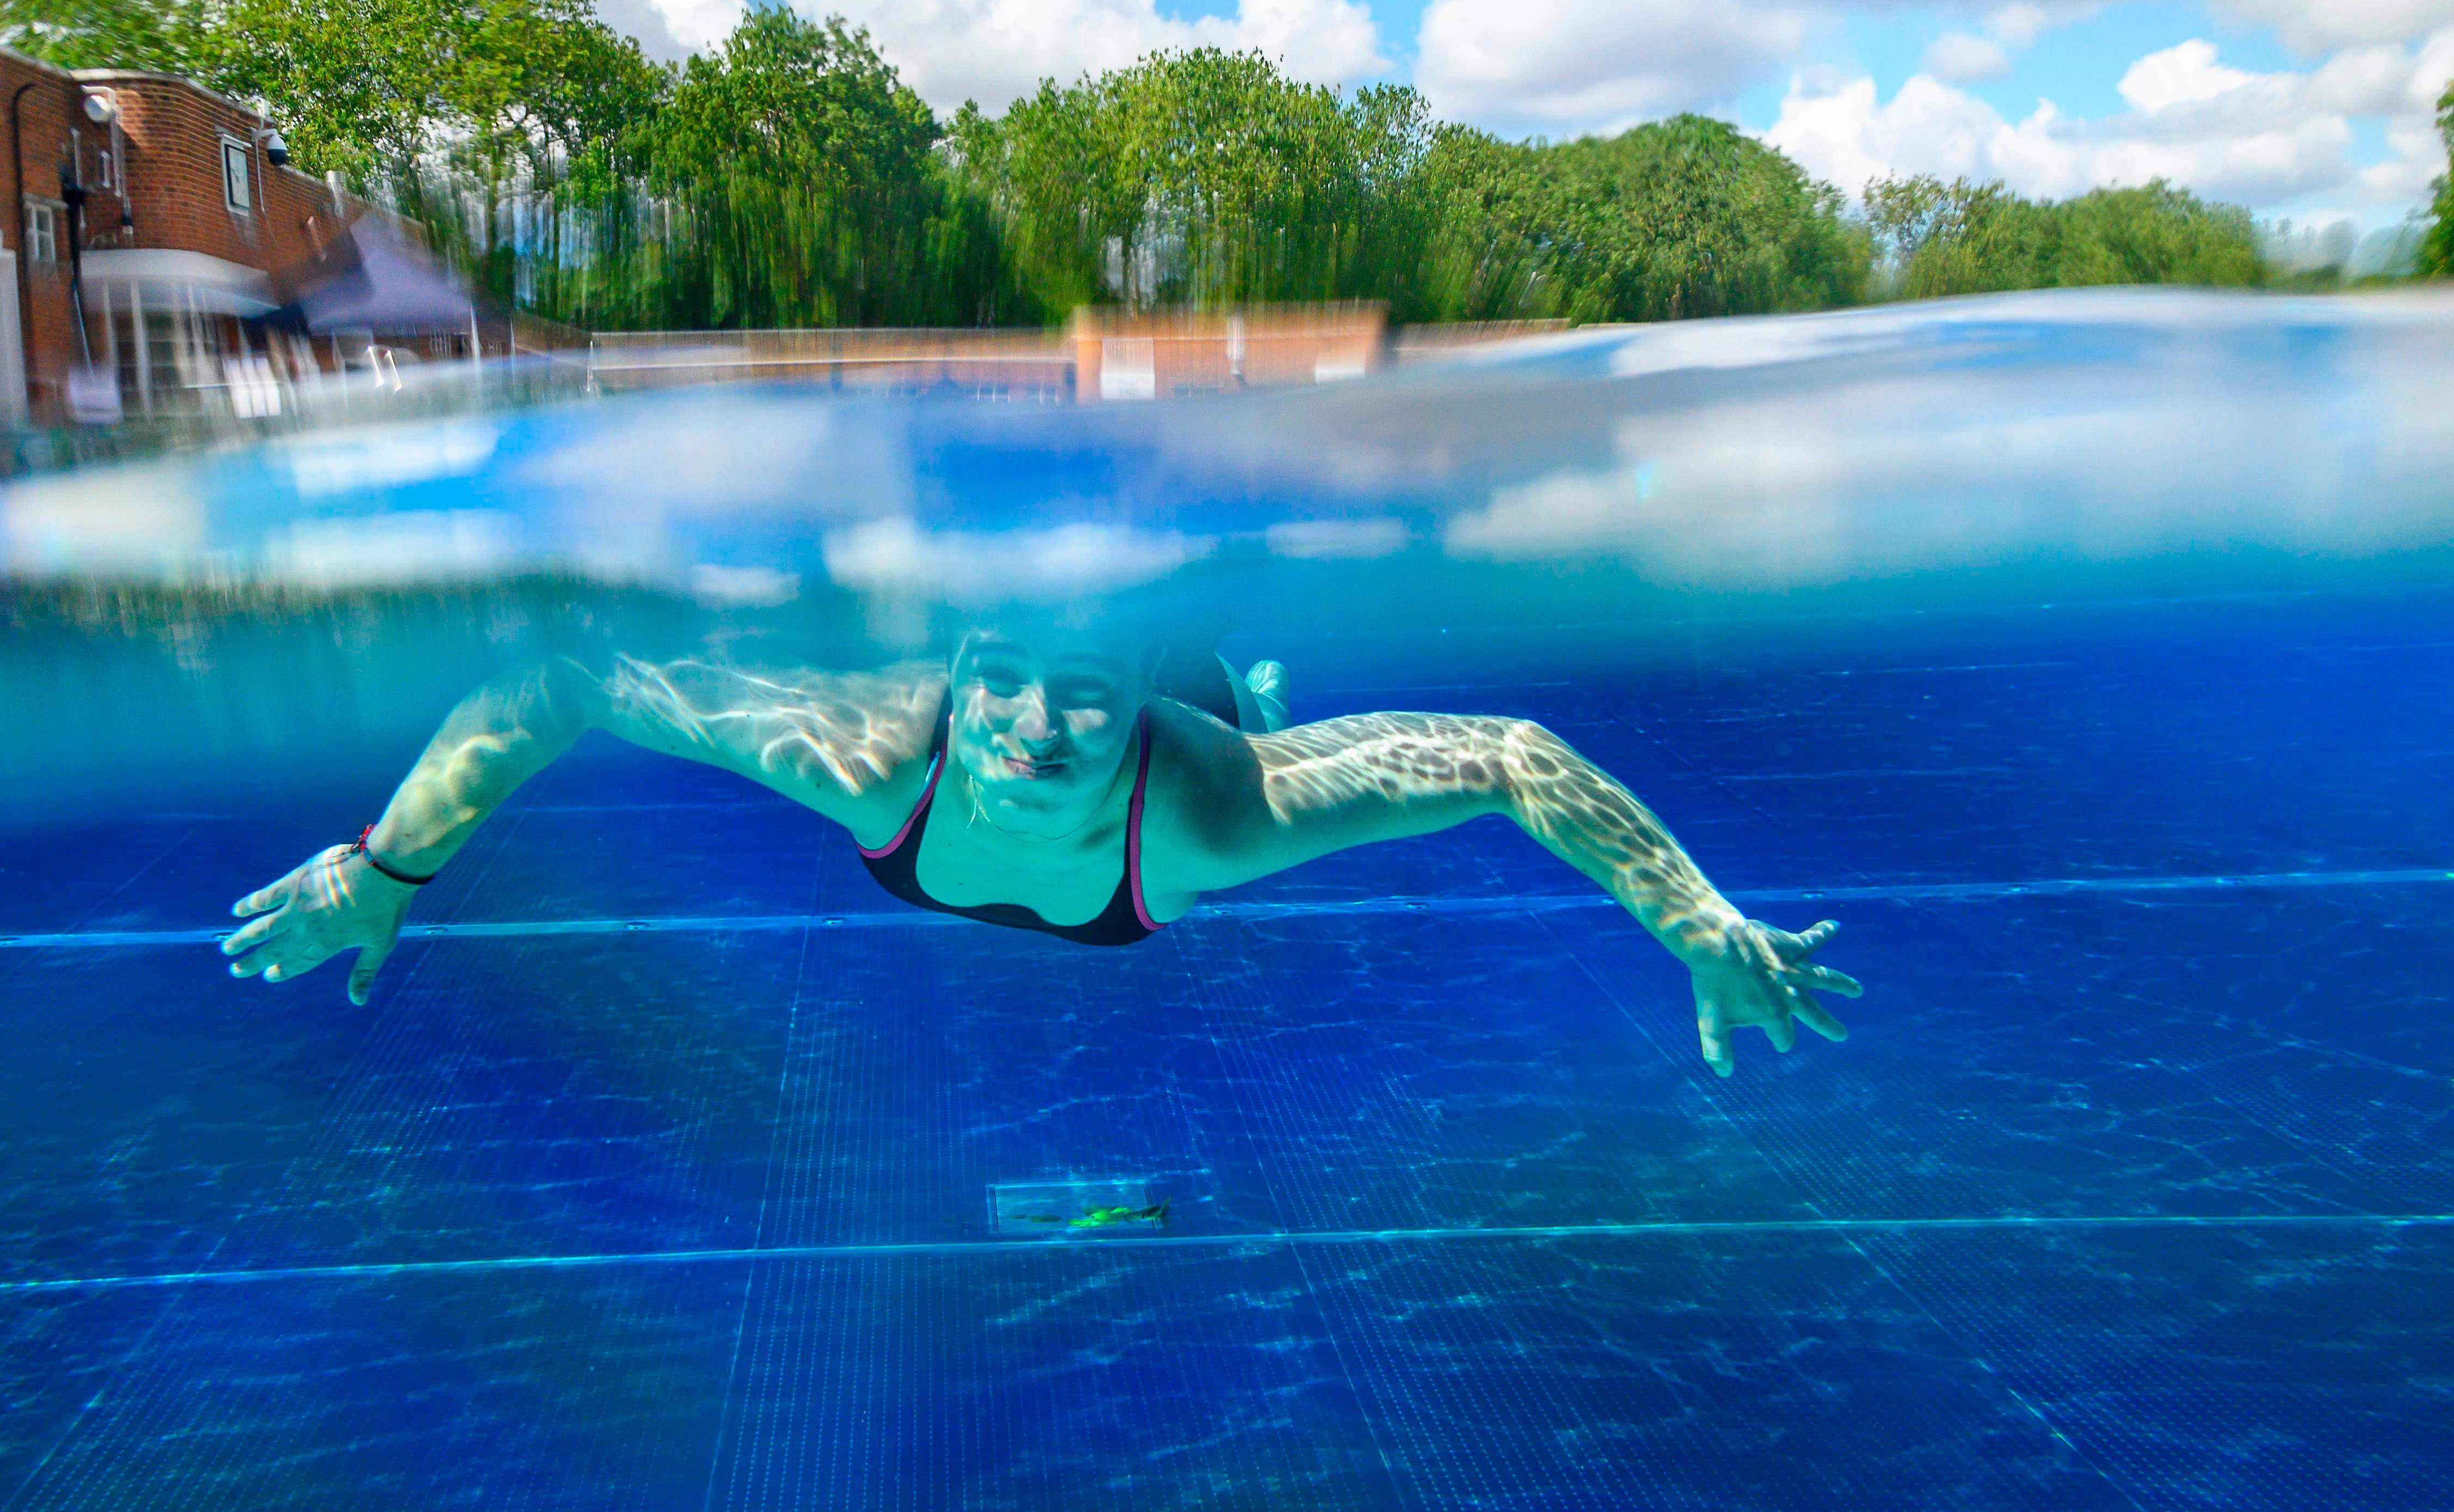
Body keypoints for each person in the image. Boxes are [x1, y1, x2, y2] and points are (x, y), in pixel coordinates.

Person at [222, 630, 1859, 1074]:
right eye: (1000, 675)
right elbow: (566, 665)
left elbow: (1507, 754)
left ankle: (1241, 673)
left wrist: (1685, 907)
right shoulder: (883, 755)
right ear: (960, 670)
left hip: (1193, 733)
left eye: (1080, 688)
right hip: (1017, 786)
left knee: (1249, 700)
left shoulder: (1210, 799)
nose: (1032, 720)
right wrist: (389, 864)